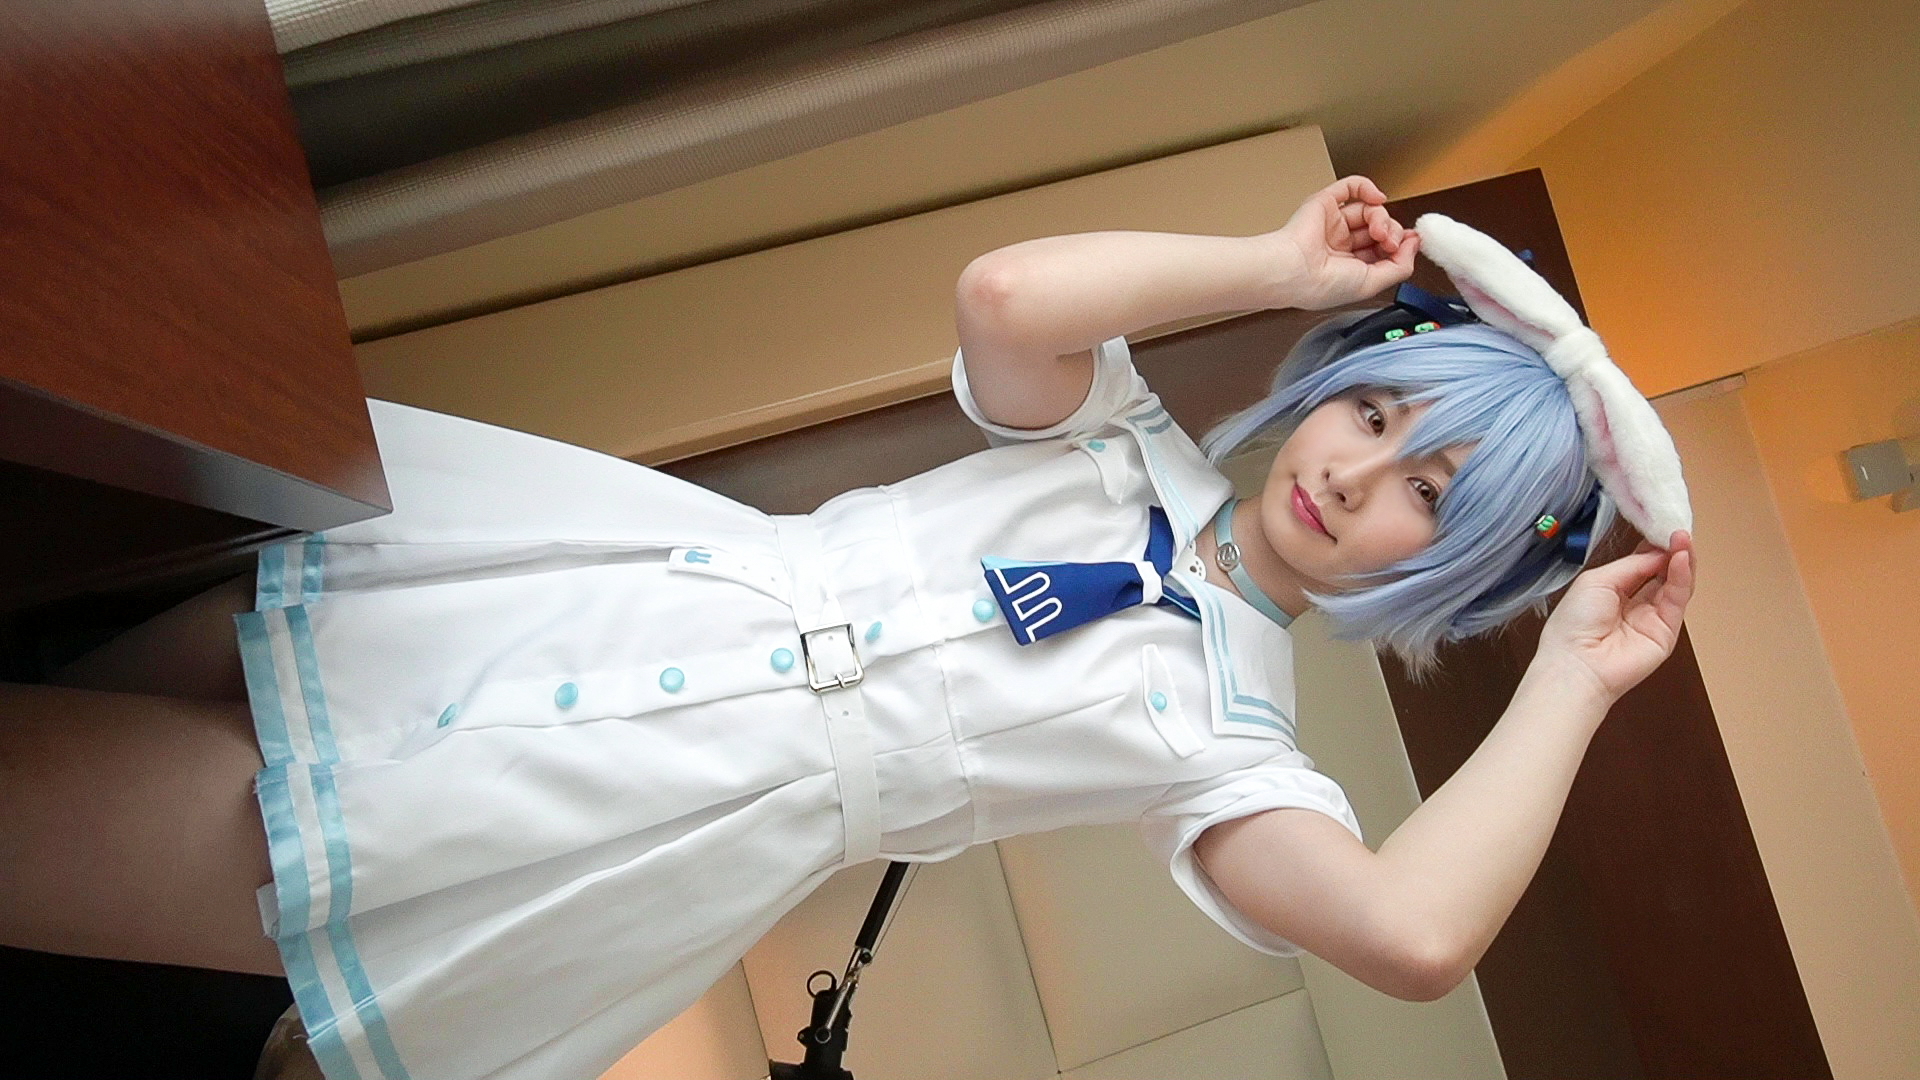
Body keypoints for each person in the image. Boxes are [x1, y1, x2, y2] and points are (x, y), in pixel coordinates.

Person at [0, 176, 1694, 1080]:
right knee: (56, 693)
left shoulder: (1228, 744)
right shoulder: (1115, 440)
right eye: (1378, 412)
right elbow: (1007, 297)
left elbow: (1410, 936)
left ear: (1460, 571)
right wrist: (1275, 265)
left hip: (617, 818)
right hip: (562, 593)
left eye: (1431, 497)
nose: (1359, 473)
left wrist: (1575, 674)